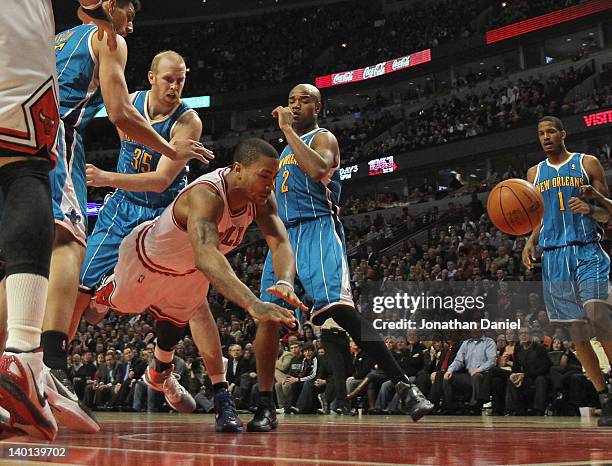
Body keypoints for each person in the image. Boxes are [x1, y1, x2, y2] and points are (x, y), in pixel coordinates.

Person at [39, 0, 212, 434]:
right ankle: (48, 369)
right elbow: (122, 117)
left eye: (182, 81)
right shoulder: (115, 59)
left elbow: (158, 182)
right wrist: (143, 157)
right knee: (74, 277)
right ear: (152, 78)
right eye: (170, 79)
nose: (176, 87)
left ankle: (183, 378)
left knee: (194, 302)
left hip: (165, 216)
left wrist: (105, 173)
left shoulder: (188, 121)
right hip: (118, 205)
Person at [252, 83, 433, 432]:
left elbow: (320, 171)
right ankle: (264, 406)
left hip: (318, 228)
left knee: (339, 309)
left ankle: (405, 386)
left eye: (303, 100)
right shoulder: (281, 155)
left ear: (317, 107)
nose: (294, 105)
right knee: (268, 318)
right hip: (284, 238)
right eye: (290, 100)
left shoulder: (323, 138)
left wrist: (287, 130)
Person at [93, 138, 302, 431]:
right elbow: (206, 255)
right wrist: (253, 304)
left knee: (182, 320)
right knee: (116, 306)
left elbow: (279, 240)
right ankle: (103, 288)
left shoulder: (261, 199)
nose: (270, 185)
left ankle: (172, 377)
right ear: (238, 170)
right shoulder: (207, 195)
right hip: (146, 260)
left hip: (189, 270)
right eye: (264, 176)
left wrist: (285, 282)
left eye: (274, 177)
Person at [0, 0, 116, 441]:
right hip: (17, 30)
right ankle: (38, 360)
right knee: (57, 223)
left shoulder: (63, 39)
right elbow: (121, 113)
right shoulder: (103, 38)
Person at [523, 115, 611, 427]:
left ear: (563, 134)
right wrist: (529, 242)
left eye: (550, 132)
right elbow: (538, 215)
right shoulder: (535, 173)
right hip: (554, 257)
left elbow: (608, 212)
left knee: (599, 316)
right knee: (576, 331)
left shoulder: (587, 164)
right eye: (540, 133)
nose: (545, 137)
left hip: (586, 248)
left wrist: (594, 202)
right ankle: (604, 395)